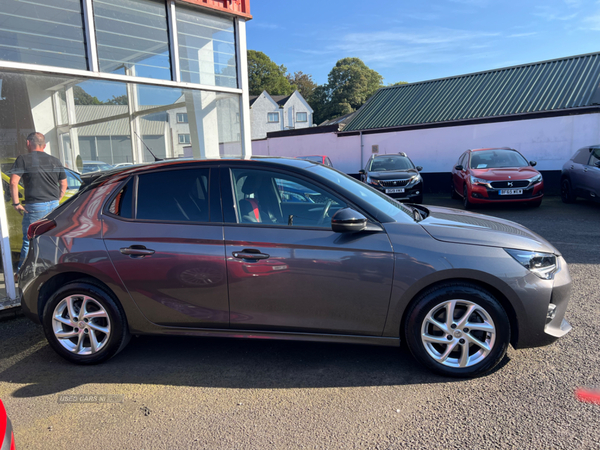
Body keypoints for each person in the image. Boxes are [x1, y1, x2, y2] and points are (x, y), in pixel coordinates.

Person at [10, 132, 67, 272]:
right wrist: (57, 199)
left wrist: (16, 203)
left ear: (28, 143)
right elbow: (64, 184)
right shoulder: (55, 160)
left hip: (35, 206)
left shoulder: (23, 159)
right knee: (52, 239)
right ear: (45, 145)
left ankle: (23, 273)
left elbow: (13, 183)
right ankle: (53, 270)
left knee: (29, 240)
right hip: (54, 205)